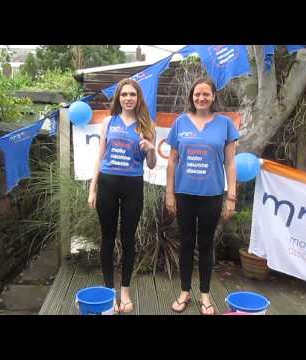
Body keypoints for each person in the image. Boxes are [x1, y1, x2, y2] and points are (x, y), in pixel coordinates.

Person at [165, 76, 238, 315]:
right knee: (186, 244)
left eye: (206, 94)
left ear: (213, 96)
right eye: (197, 94)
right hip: (184, 194)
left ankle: (205, 296)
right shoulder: (180, 123)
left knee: (206, 246)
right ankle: (185, 292)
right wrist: (169, 194)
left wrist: (231, 197)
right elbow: (172, 161)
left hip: (212, 195)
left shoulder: (225, 124)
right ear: (192, 97)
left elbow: (230, 163)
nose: (201, 97)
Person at [88, 78, 157, 314]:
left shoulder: (147, 125)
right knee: (107, 238)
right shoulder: (109, 122)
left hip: (133, 187)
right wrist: (92, 188)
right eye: (124, 94)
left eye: (133, 95)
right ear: (119, 98)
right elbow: (99, 156)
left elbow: (151, 164)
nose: (128, 98)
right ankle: (109, 292)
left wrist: (150, 149)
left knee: (128, 240)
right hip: (107, 184)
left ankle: (125, 290)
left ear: (139, 99)